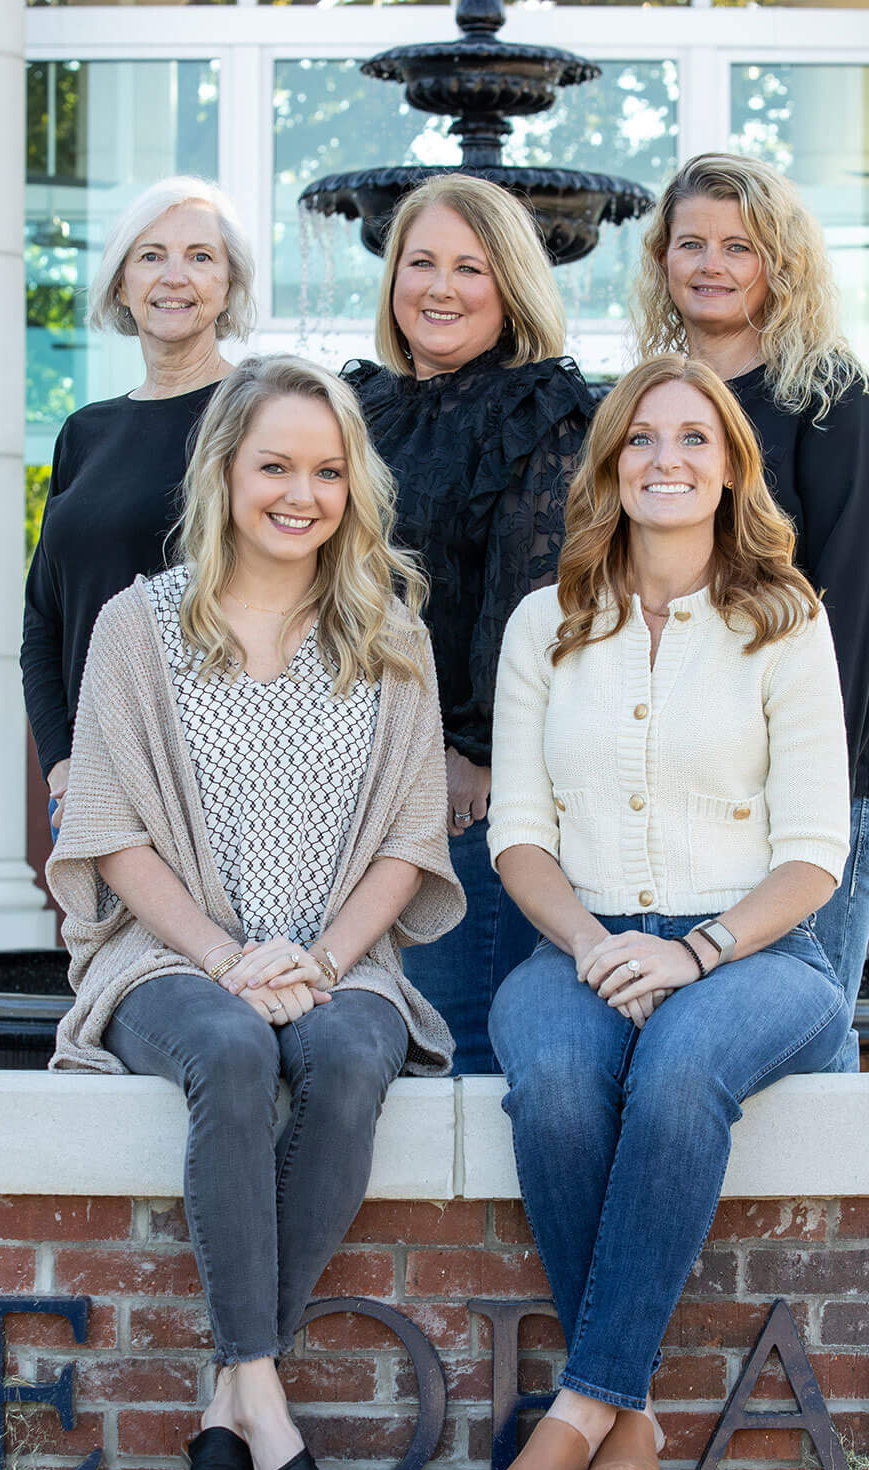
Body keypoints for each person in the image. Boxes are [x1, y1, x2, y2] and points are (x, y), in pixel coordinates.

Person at [43, 356, 462, 1470]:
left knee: (341, 1062)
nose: (303, 492)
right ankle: (268, 1408)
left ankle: (232, 1402)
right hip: (168, 956)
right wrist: (229, 958)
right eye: (276, 465)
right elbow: (111, 830)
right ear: (225, 470)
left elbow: (411, 835)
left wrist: (323, 961)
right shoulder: (139, 624)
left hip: (343, 960)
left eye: (328, 470)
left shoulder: (387, 631)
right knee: (229, 1052)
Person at [480, 355, 852, 1470]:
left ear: (733, 466)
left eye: (695, 438)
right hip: (581, 942)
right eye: (642, 440)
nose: (667, 460)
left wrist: (693, 954)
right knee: (552, 1085)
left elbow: (814, 856)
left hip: (751, 953)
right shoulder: (549, 622)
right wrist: (592, 945)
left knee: (680, 1076)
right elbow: (518, 834)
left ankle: (580, 1407)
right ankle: (629, 1426)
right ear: (612, 466)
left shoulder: (786, 623)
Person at [634, 152, 869, 1059]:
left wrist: (806, 792)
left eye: (738, 247)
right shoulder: (657, 409)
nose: (710, 264)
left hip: (812, 791)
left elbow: (858, 617)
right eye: (692, 244)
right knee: (694, 1046)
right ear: (663, 259)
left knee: (798, 1041)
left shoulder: (833, 405)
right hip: (698, 784)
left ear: (777, 263)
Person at [344, 173, 597, 1073]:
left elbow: (535, 596)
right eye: (421, 263)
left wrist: (474, 750)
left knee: (455, 1038)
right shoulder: (358, 408)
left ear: (512, 286)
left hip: (463, 788)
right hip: (348, 773)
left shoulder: (541, 411)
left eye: (470, 268)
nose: (440, 288)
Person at [21, 177, 256, 844]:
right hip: (93, 781)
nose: (173, 276)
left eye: (199, 256)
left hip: (220, 781)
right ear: (121, 283)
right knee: (102, 952)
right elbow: (44, 619)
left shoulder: (259, 413)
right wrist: (62, 764)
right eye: (150, 255)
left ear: (229, 284)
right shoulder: (85, 432)